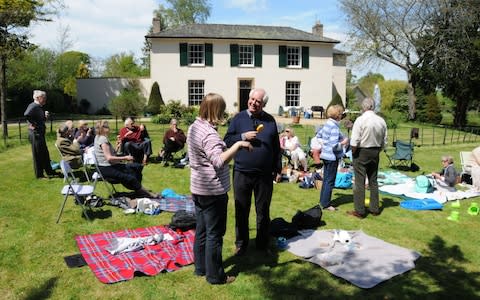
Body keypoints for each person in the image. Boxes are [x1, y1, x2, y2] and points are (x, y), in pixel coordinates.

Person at [188, 93, 252, 285]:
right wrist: (238, 145)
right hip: (212, 190)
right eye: (222, 110)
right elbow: (218, 160)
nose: (223, 113)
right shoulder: (208, 133)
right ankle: (215, 276)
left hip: (198, 188)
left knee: (201, 230)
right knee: (214, 234)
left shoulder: (194, 127)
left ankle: (200, 268)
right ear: (216, 110)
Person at [224, 87, 282, 256]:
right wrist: (242, 137)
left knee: (263, 211)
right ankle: (241, 244)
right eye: (252, 99)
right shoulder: (238, 118)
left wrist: (277, 169)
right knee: (241, 210)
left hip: (264, 175)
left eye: (258, 101)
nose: (254, 103)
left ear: (263, 104)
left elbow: (276, 148)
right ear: (248, 99)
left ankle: (262, 244)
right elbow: (226, 141)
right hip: (242, 172)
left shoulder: (270, 121)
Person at [94, 120, 156, 198]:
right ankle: (147, 193)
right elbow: (109, 158)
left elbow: (110, 154)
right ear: (102, 128)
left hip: (109, 165)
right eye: (107, 126)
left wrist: (117, 147)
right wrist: (125, 158)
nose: (109, 128)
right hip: (106, 168)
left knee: (137, 166)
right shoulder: (102, 139)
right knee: (130, 177)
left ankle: (138, 190)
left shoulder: (98, 137)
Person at [347, 98, 387, 218]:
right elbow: (385, 141)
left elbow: (354, 141)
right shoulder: (381, 121)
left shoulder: (360, 120)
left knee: (360, 181)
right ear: (373, 107)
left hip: (362, 151)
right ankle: (374, 208)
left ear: (364, 107)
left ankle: (359, 210)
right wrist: (378, 150)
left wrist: (354, 153)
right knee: (373, 181)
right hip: (375, 151)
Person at [318, 105, 349, 211]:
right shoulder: (334, 127)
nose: (342, 115)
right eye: (341, 114)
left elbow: (319, 136)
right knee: (330, 181)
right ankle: (326, 204)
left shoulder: (327, 123)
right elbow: (334, 146)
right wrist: (343, 142)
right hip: (332, 157)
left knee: (326, 179)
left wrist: (324, 145)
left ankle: (322, 201)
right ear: (338, 115)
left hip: (325, 155)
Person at [24, 90, 57, 179]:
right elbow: (26, 115)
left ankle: (49, 171)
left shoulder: (39, 107)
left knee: (45, 153)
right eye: (44, 97)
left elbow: (40, 120)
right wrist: (33, 124)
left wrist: (44, 117)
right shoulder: (33, 106)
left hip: (40, 134)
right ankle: (39, 175)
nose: (45, 99)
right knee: (38, 155)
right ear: (38, 98)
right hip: (35, 134)